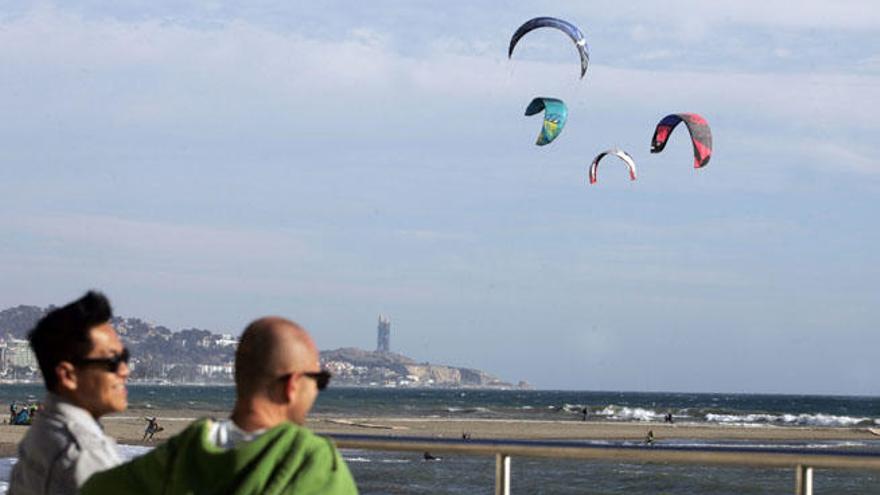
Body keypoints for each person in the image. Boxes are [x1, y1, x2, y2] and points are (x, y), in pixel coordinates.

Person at [82, 316, 358, 494]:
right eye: (319, 379)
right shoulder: (312, 462)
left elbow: (96, 489)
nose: (319, 389)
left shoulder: (179, 455)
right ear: (293, 385)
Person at [9, 291, 129, 495]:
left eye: (125, 356)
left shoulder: (44, 429)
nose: (125, 370)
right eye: (112, 362)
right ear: (67, 375)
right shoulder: (86, 455)